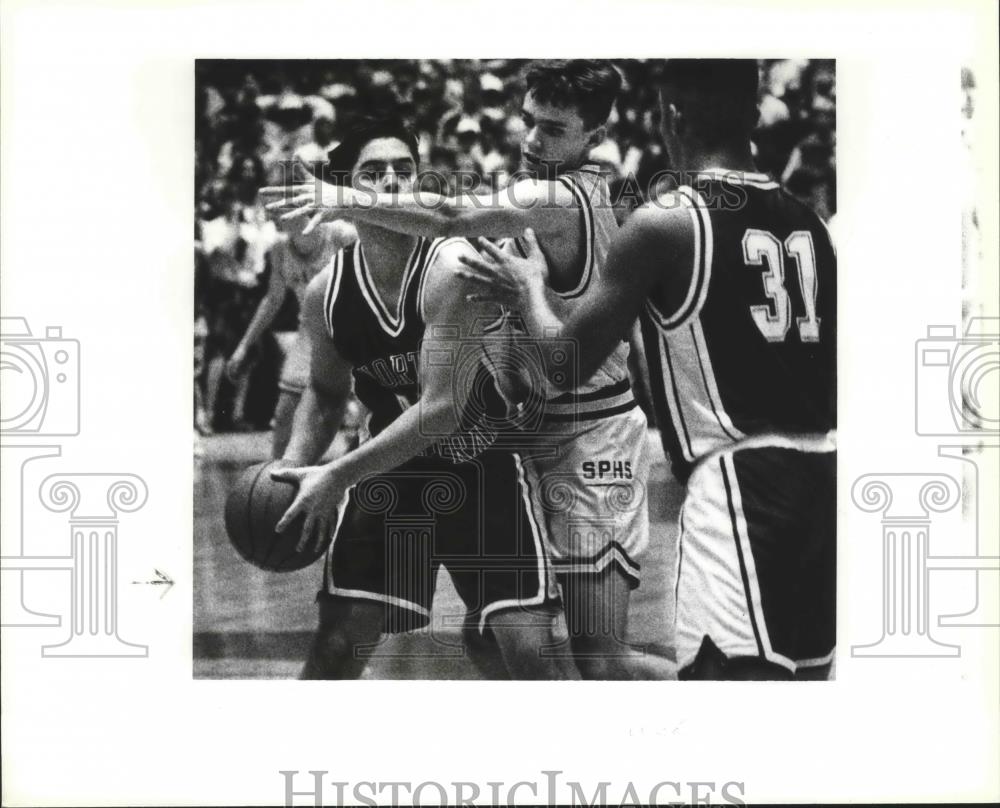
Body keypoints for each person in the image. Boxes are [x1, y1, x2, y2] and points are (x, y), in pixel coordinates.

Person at [268, 60, 672, 680]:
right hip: (527, 433)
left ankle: (720, 703)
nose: (533, 141)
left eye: (554, 130)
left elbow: (453, 221)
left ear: (594, 137)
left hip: (587, 438)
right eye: (529, 123)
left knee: (601, 660)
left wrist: (341, 195)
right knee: (489, 641)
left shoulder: (552, 196)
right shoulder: (338, 286)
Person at [456, 59, 837, 681]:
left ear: (671, 117)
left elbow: (566, 362)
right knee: (800, 689)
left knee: (720, 689)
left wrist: (527, 287)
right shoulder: (811, 224)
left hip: (739, 482)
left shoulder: (664, 222)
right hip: (824, 476)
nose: (532, 140)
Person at [262, 117, 574, 680]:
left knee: (526, 658)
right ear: (343, 190)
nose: (391, 183)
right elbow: (327, 394)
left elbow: (441, 411)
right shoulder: (323, 294)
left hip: (480, 466)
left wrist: (334, 477)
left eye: (403, 171)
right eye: (373, 173)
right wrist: (291, 467)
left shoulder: (455, 263)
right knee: (334, 649)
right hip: (389, 478)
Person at [225, 207, 356, 457]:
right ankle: (277, 484)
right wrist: (243, 346)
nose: (272, 213)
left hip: (356, 329)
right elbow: (273, 299)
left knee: (369, 416)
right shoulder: (279, 250)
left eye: (278, 206)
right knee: (285, 414)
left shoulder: (340, 235)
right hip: (311, 331)